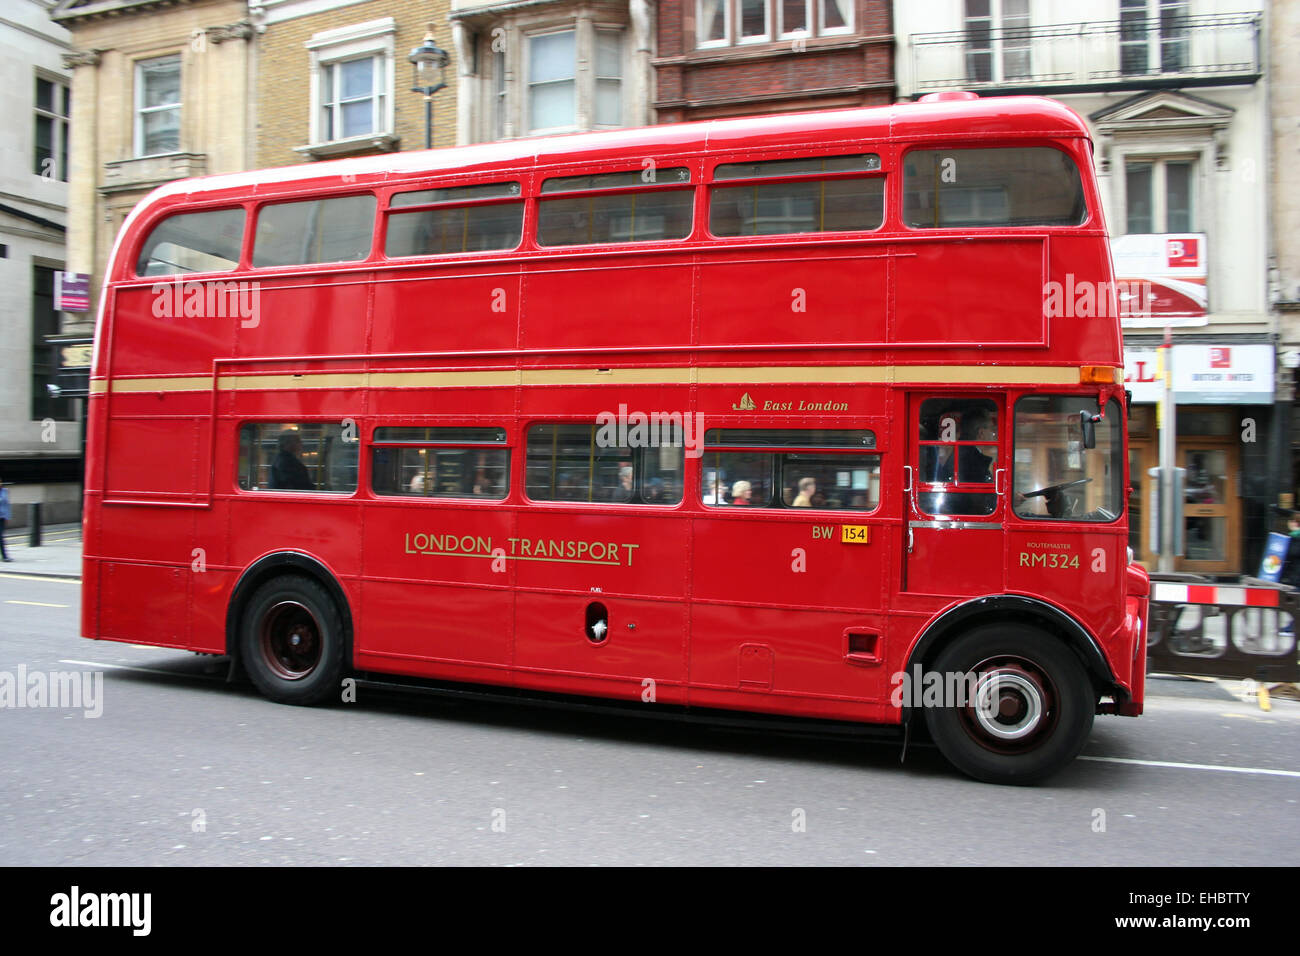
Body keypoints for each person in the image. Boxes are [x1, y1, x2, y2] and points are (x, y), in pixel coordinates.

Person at [0, 477, 11, 561]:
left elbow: (7, 505)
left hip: (2, 517)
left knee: (1, 536)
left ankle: (5, 556)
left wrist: (8, 516)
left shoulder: (5, 491)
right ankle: (5, 556)